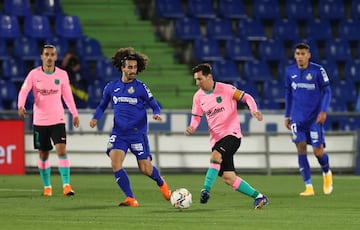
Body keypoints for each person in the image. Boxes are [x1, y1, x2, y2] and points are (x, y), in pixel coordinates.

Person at [89, 47, 171, 207]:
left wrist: (156, 113)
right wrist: (95, 118)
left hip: (137, 134)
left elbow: (155, 105)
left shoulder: (141, 87)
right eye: (130, 67)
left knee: (145, 168)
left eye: (135, 67)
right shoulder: (111, 87)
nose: (133, 70)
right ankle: (130, 198)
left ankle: (161, 183)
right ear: (122, 67)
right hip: (119, 133)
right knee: (115, 163)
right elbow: (101, 106)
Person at [184, 63, 269, 209]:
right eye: (196, 80)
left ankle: (206, 190)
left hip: (232, 135)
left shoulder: (227, 89)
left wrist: (253, 110)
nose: (197, 83)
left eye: (199, 79)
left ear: (209, 76)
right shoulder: (198, 97)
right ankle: (259, 197)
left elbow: (247, 97)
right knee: (229, 178)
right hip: (216, 139)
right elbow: (197, 116)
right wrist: (193, 126)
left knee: (215, 157)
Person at [17, 44, 80, 197]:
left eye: (52, 54)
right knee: (43, 154)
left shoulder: (62, 75)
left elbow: (67, 96)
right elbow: (24, 90)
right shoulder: (34, 74)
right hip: (40, 121)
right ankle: (47, 186)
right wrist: (21, 105)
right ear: (42, 57)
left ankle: (66, 185)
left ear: (56, 57)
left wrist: (74, 113)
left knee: (61, 150)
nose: (49, 57)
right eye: (46, 54)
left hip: (57, 119)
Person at [284, 43, 333, 196]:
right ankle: (309, 186)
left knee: (318, 152)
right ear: (294, 55)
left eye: (303, 54)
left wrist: (324, 111)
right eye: (297, 53)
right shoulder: (289, 71)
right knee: (301, 149)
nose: (300, 57)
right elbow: (288, 95)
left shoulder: (318, 71)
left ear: (309, 55)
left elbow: (327, 91)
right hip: (297, 119)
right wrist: (287, 115)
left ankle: (327, 173)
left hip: (314, 119)